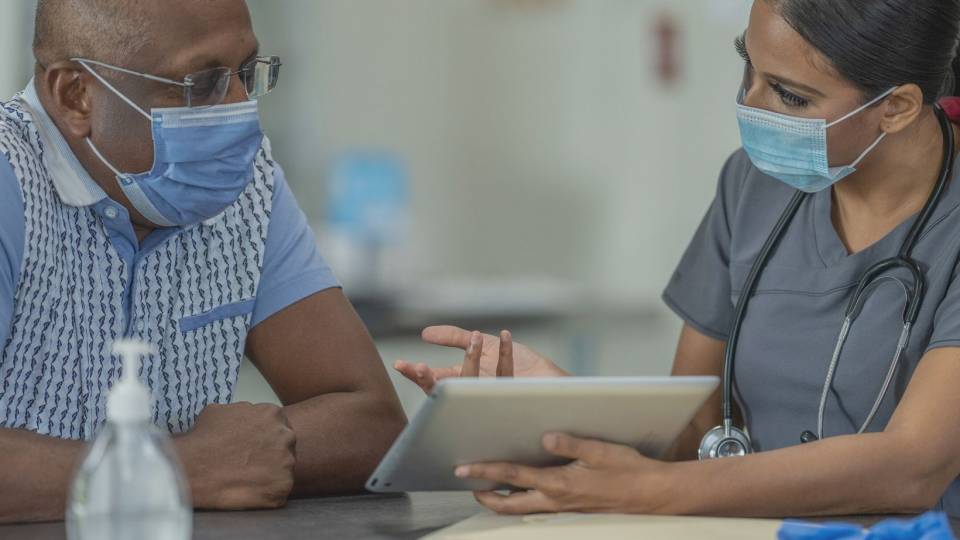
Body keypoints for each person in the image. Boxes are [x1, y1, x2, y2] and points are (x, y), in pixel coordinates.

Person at [397, 0, 960, 518]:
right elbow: (695, 427)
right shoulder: (752, 185)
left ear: (897, 107)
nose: (751, 105)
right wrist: (555, 419)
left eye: (790, 95)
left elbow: (914, 468)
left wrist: (649, 491)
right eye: (749, 70)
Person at [0, 0, 406, 523]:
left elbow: (371, 423)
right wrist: (178, 469)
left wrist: (228, 461)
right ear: (76, 94)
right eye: (202, 83)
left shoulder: (243, 184)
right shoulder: (10, 179)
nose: (240, 108)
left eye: (244, 74)